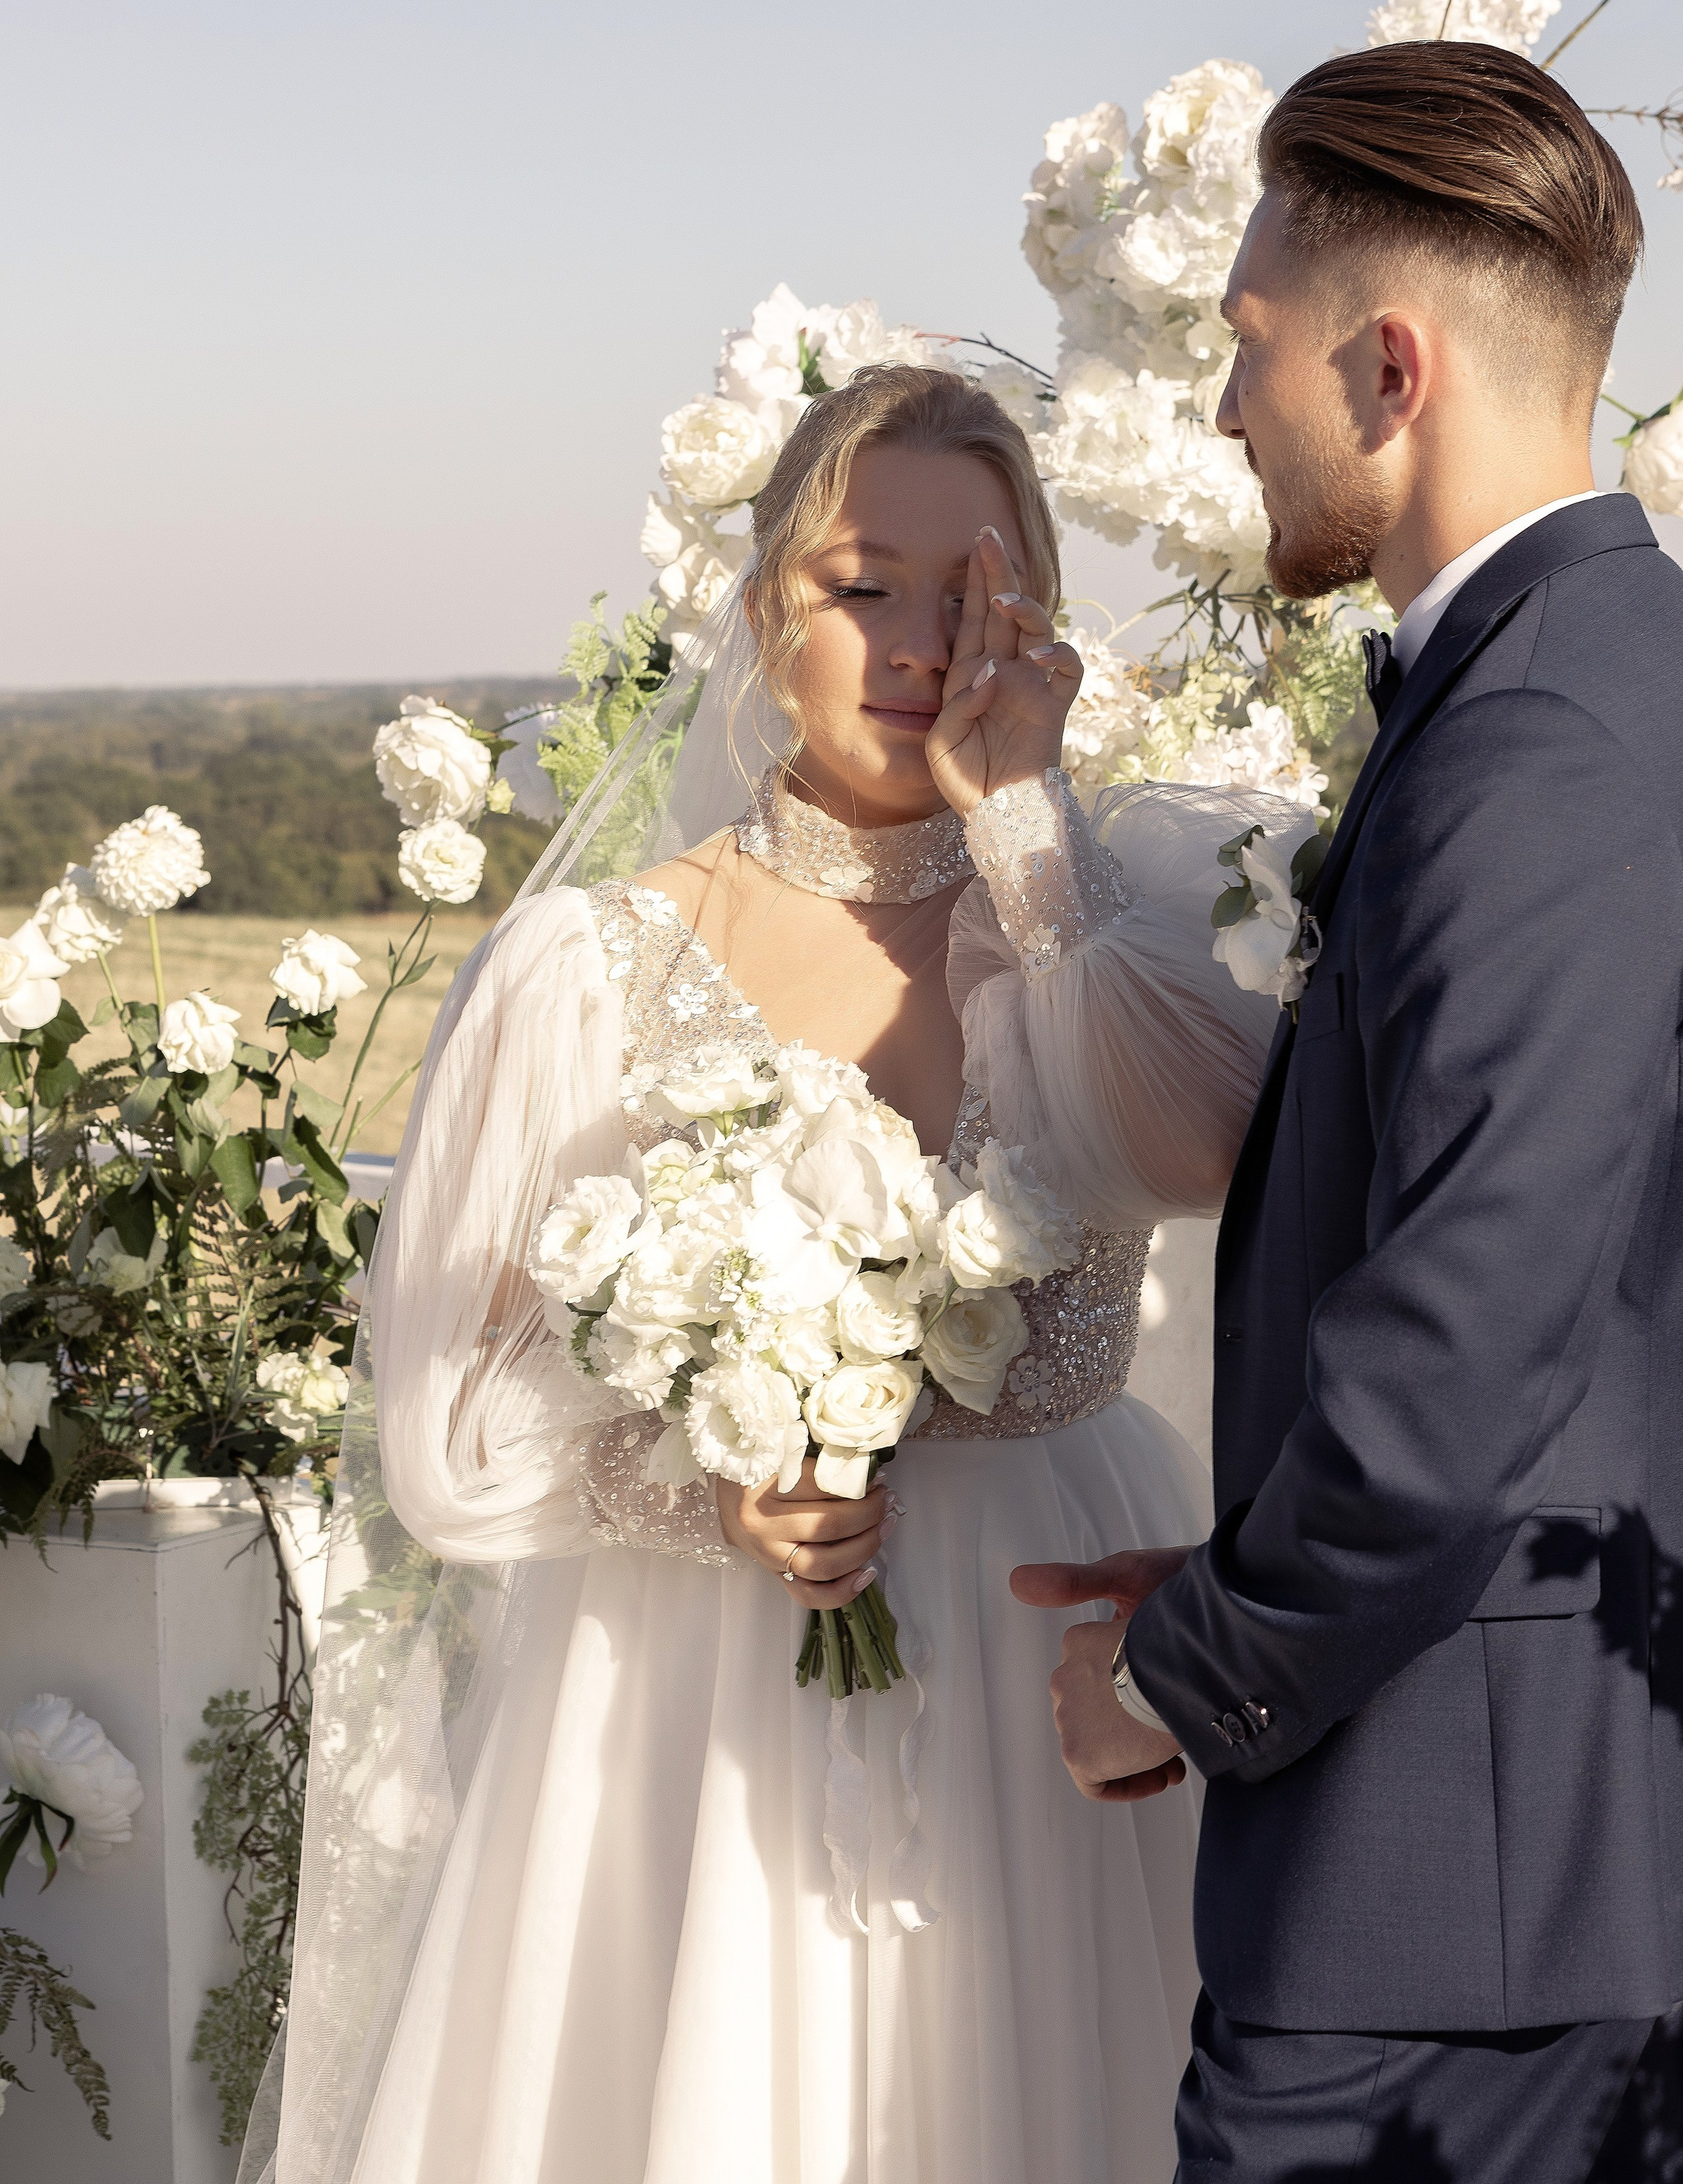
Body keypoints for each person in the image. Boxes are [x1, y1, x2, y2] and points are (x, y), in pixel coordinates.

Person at [243, 364, 1284, 2184]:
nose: (916, 643)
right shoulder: (591, 968)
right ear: (759, 616)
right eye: (863, 584)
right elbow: (450, 1432)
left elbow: (1200, 1151)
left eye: (978, 594)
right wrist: (701, 1486)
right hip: (683, 1715)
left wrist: (1029, 837)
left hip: (1052, 1699)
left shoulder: (1099, 925)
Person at [1022, 39, 1683, 2182]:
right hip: (1522, 1850)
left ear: (1386, 366)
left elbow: (1464, 1346)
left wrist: (1193, 1667)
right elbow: (1573, 1331)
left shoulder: (1538, 744)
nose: (1214, 407)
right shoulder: (1626, 669)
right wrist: (1241, 1548)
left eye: (1246, 348)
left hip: (1437, 1909)